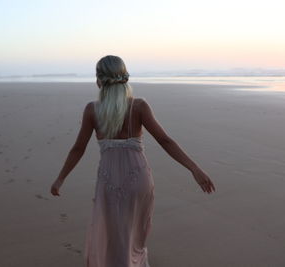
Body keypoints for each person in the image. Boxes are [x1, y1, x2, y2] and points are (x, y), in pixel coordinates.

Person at [50, 55, 215, 267]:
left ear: (99, 81)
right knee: (135, 236)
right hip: (138, 180)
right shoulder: (139, 106)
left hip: (109, 182)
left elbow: (78, 149)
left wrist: (60, 179)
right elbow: (165, 140)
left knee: (115, 236)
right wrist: (194, 169)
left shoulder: (92, 109)